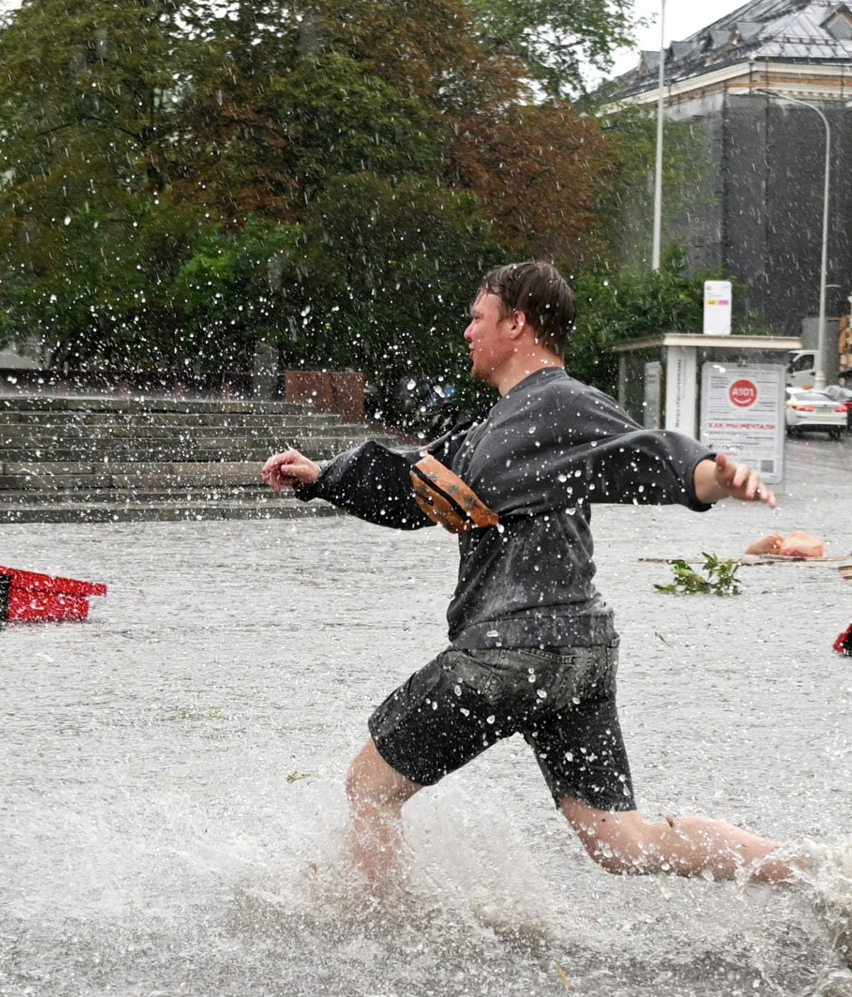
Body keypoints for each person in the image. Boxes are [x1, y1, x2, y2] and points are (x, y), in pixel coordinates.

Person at [261, 261, 799, 892]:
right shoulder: (495, 426)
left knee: (369, 786)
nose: (467, 331)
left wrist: (712, 475)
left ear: (517, 323)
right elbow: (415, 484)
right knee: (619, 841)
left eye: (478, 317)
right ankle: (808, 870)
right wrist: (324, 476)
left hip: (509, 654)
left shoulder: (562, 401)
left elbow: (648, 452)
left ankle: (383, 937)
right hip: (579, 659)